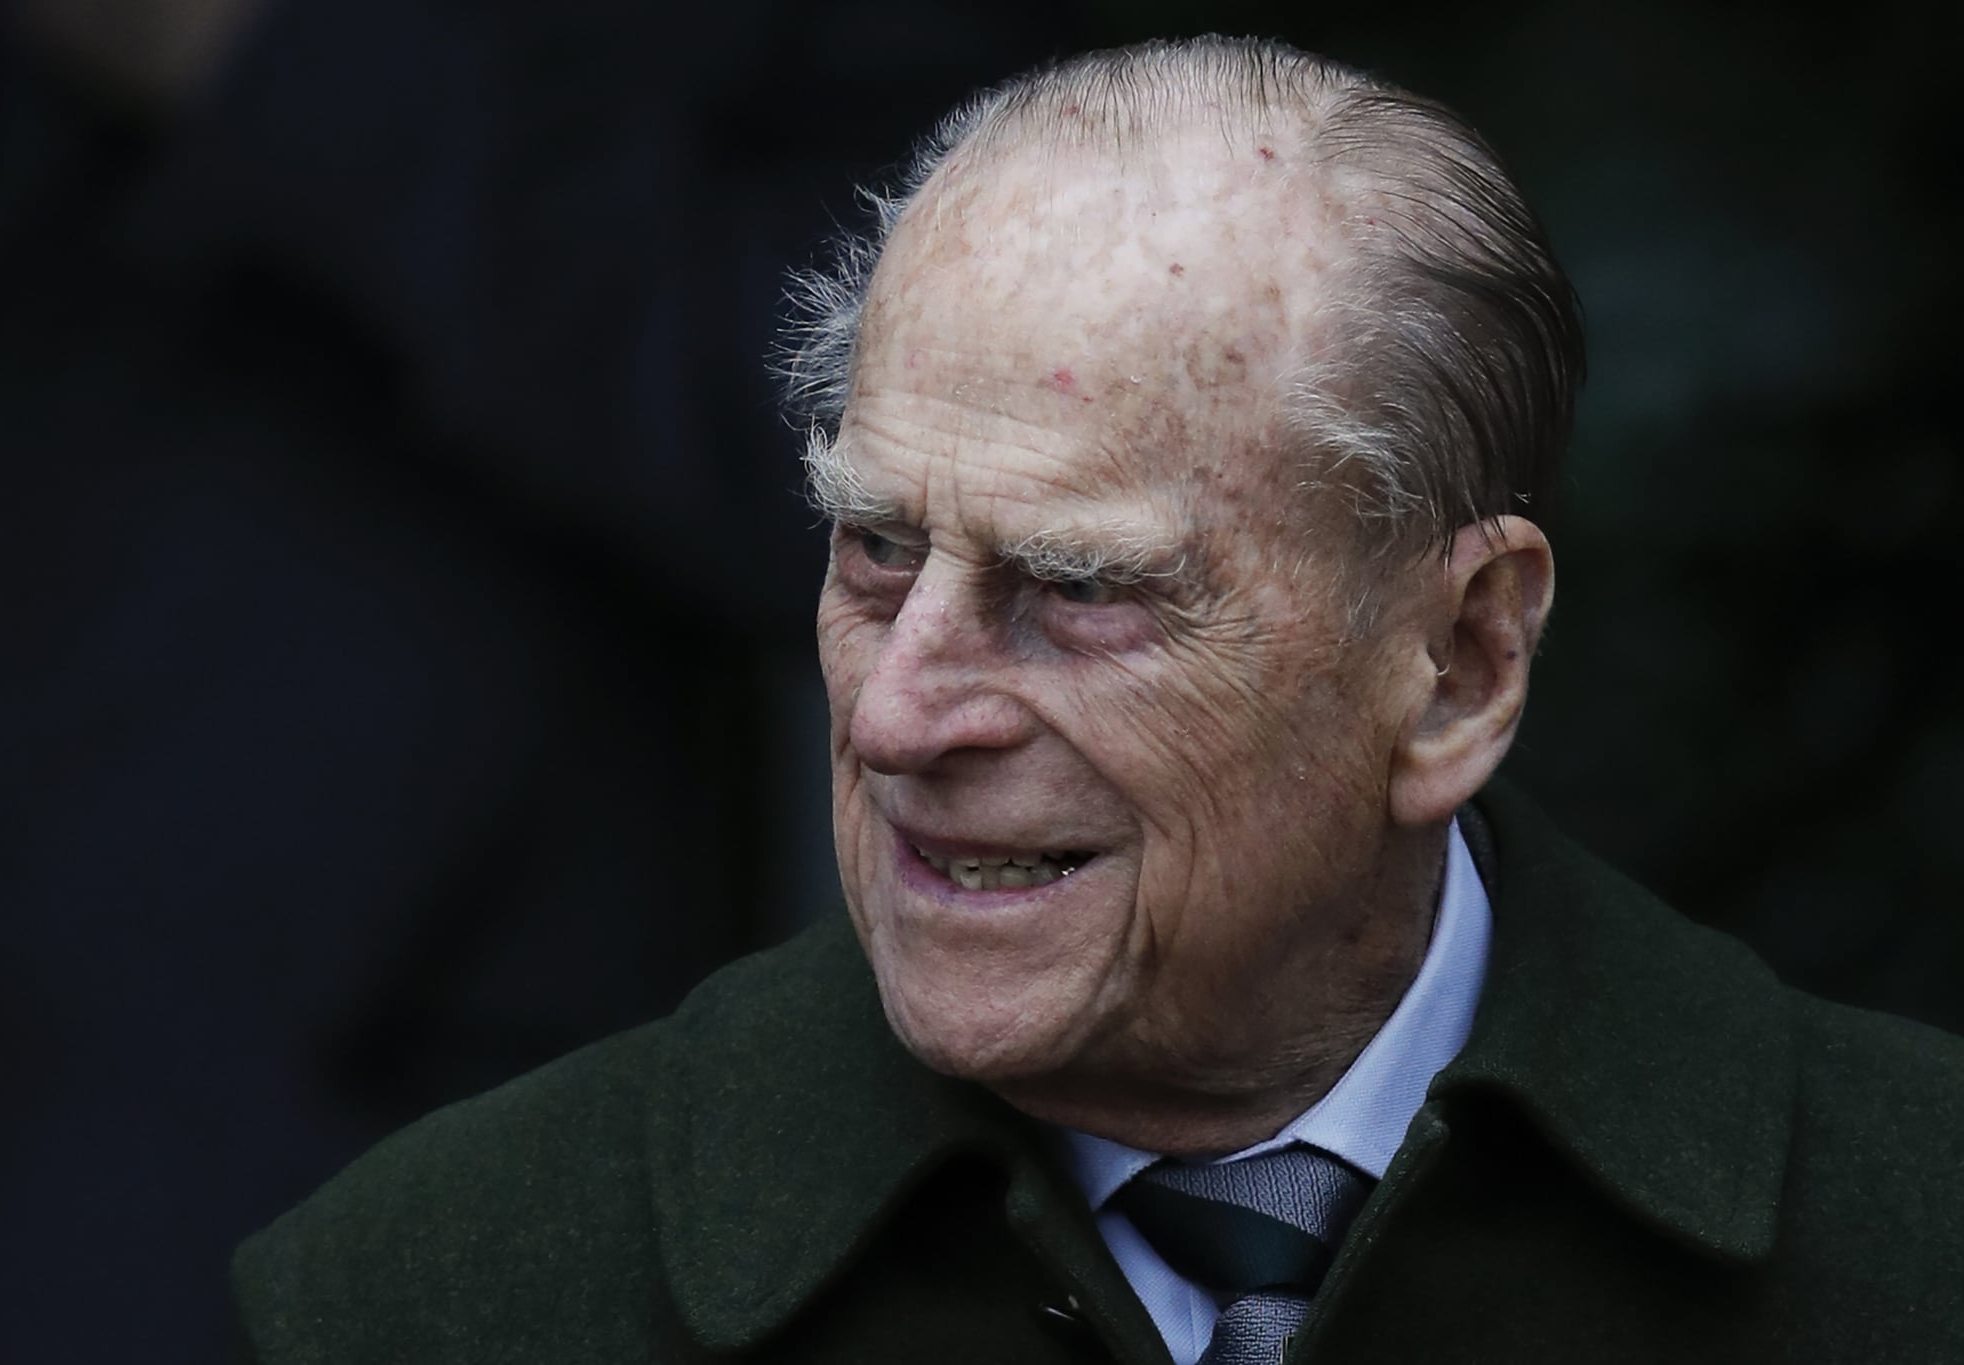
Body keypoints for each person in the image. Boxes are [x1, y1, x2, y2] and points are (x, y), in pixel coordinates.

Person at [230, 36, 1964, 1364]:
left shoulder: (1914, 1241)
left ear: (1461, 665)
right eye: (876, 551)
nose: (901, 717)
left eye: (1079, 587)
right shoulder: (423, 1300)